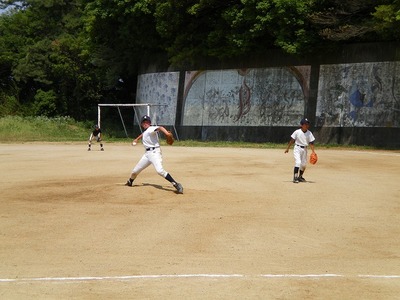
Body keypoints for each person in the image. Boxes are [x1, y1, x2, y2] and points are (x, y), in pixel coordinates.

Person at [125, 115, 183, 194]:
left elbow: (160, 128)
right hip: (147, 154)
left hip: (155, 153)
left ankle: (176, 184)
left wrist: (166, 133)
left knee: (160, 171)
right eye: (144, 122)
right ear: (141, 124)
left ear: (150, 123)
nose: (145, 123)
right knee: (134, 171)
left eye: (147, 122)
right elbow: (143, 134)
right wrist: (137, 139)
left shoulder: (151, 129)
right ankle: (130, 182)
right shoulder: (146, 131)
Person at [284, 118, 316, 183]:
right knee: (298, 162)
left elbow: (311, 143)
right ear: (301, 125)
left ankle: (300, 177)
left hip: (305, 149)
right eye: (305, 124)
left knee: (303, 165)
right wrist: (287, 148)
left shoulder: (309, 133)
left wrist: (313, 152)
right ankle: (295, 177)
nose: (307, 125)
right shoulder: (297, 132)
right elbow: (292, 140)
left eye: (308, 124)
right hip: (297, 148)